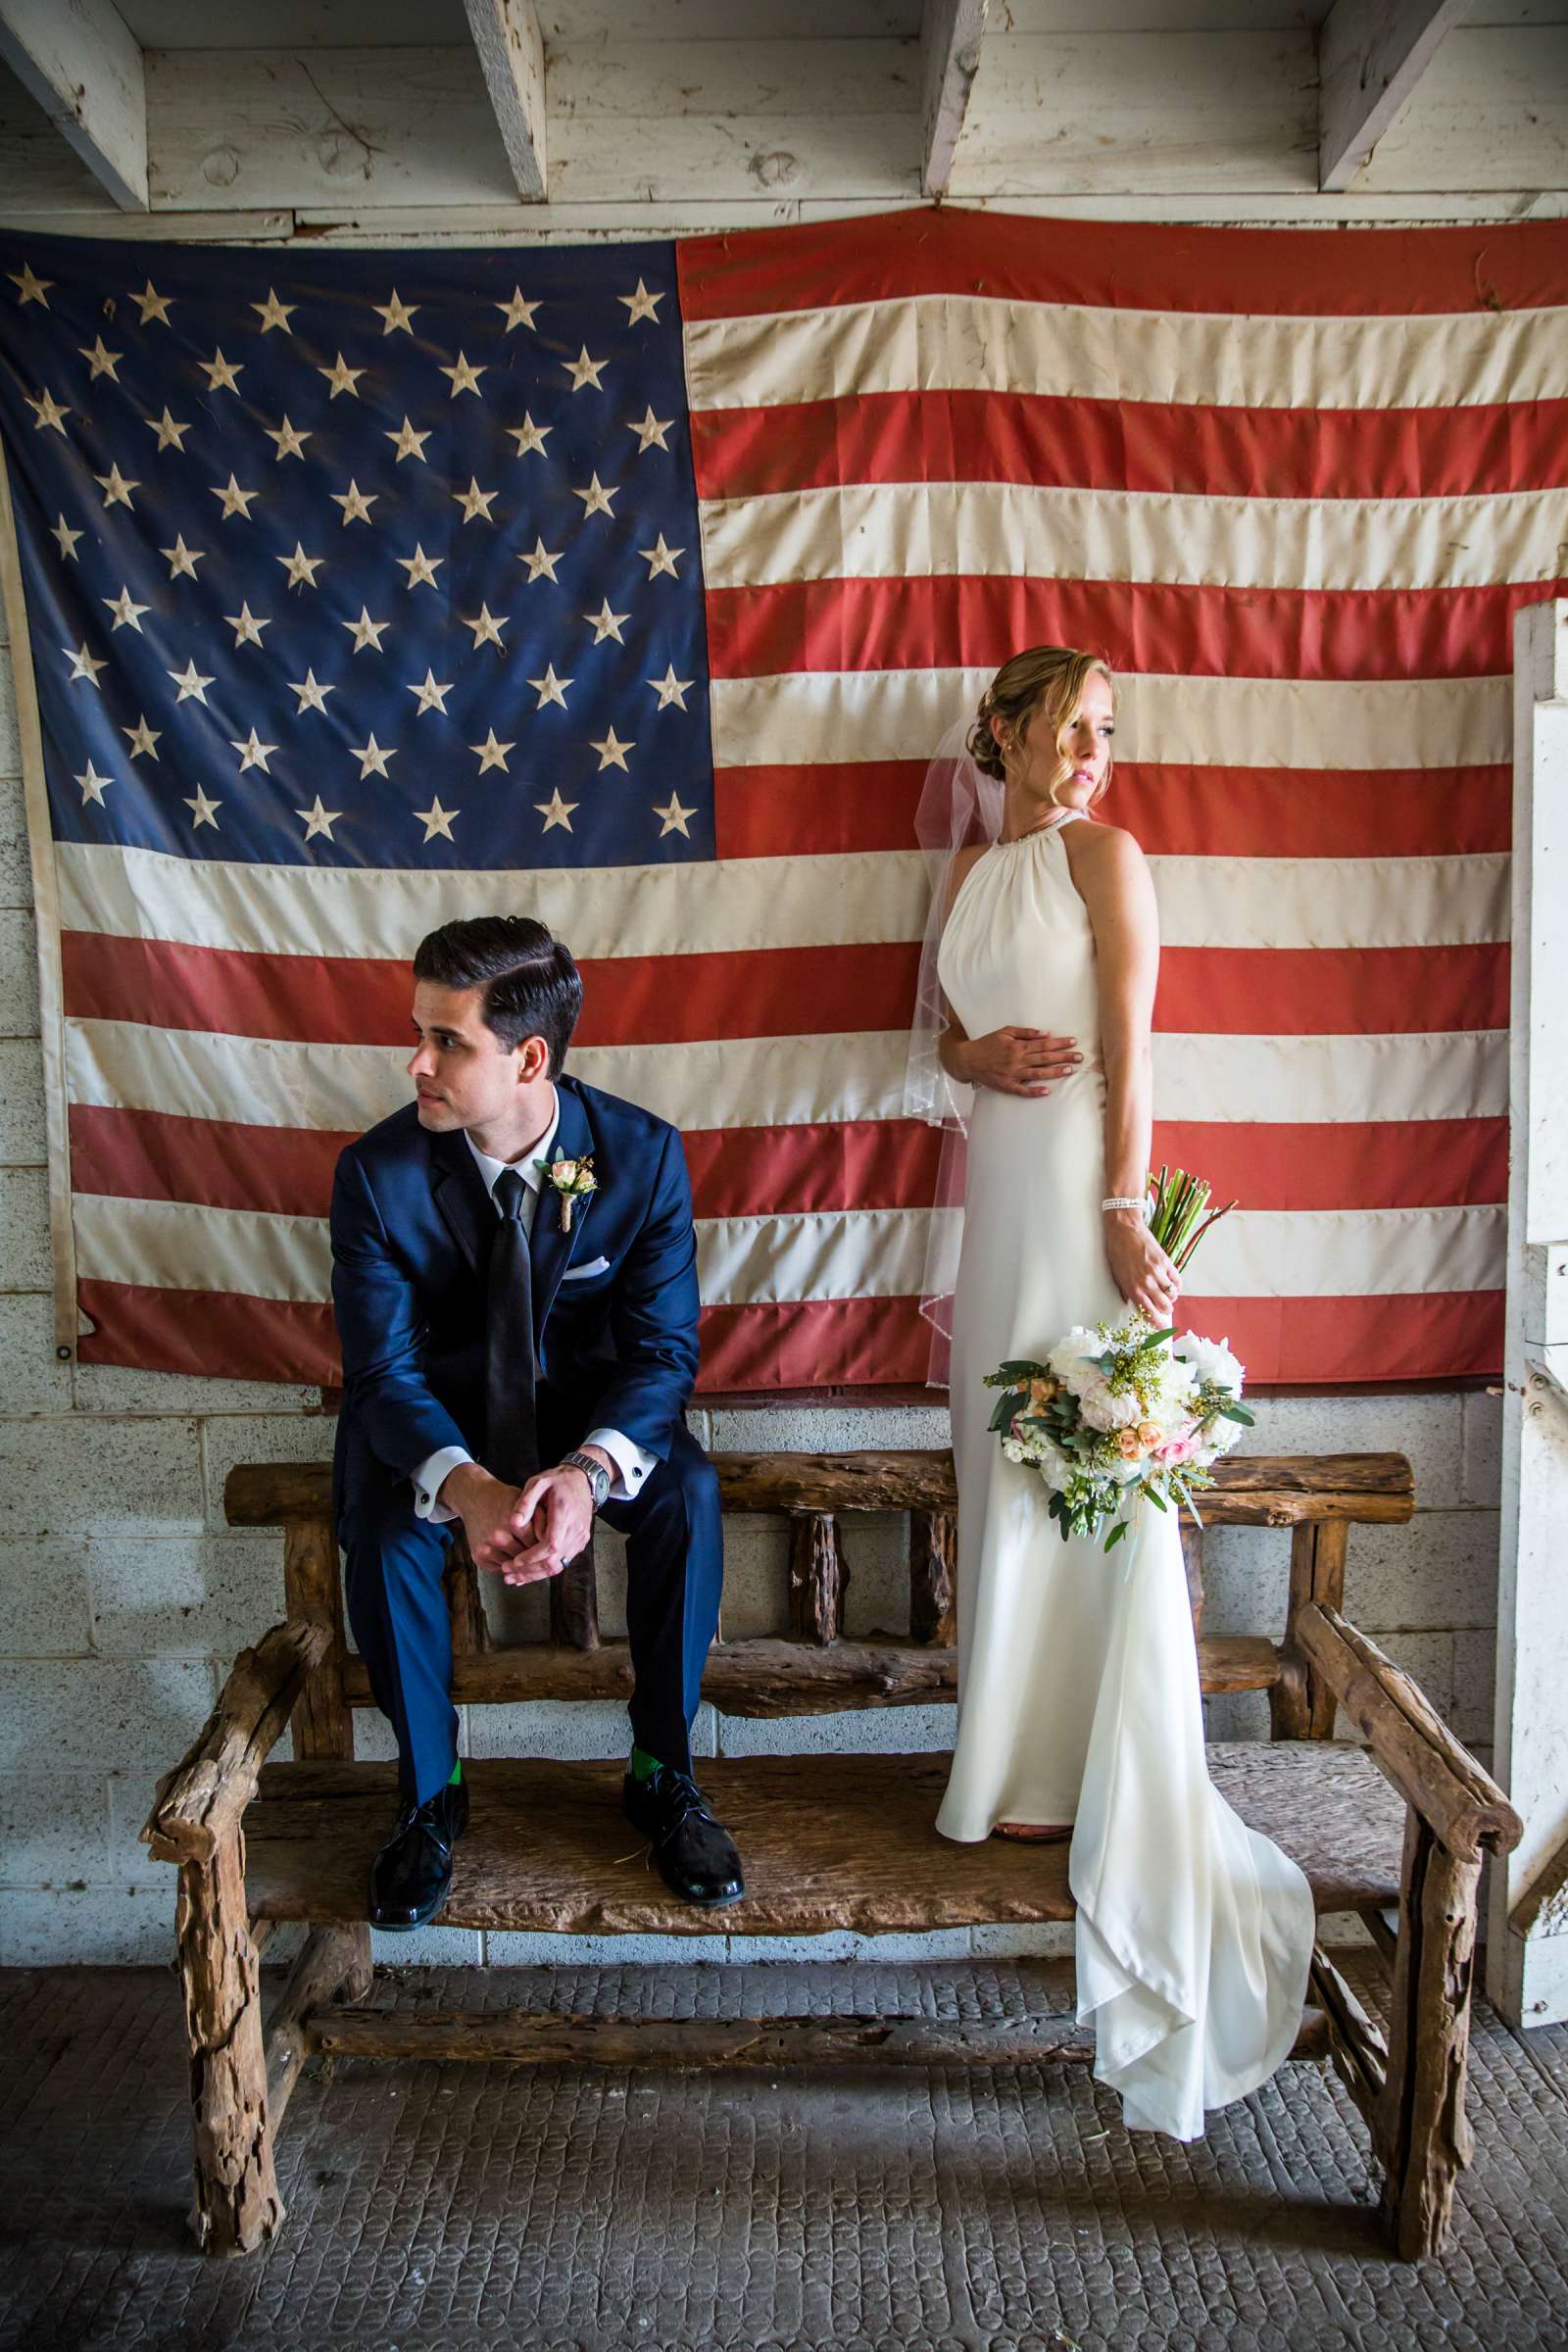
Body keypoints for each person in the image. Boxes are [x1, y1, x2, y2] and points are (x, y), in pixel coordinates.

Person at [907, 646, 1313, 2140]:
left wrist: (1129, 1209)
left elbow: (1136, 1047)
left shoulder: (1107, 857)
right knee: (1001, 1455)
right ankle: (1009, 1762)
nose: (1092, 751)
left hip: (1080, 1191)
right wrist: (975, 1049)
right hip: (998, 1192)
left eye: (1107, 731)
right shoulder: (969, 882)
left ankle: (1103, 1767)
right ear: (1004, 729)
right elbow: (941, 1040)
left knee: (1089, 1449)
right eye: (1070, 726)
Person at [329, 914, 744, 1931]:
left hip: (583, 1422)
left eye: (446, 1041)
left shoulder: (639, 1157)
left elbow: (662, 1356)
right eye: (417, 1032)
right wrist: (467, 1487)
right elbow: (379, 1373)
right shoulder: (375, 1174)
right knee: (383, 1527)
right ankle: (430, 1797)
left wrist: (587, 1473)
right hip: (436, 1423)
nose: (414, 1061)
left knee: (687, 1489)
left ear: (529, 1057)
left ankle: (661, 1771)